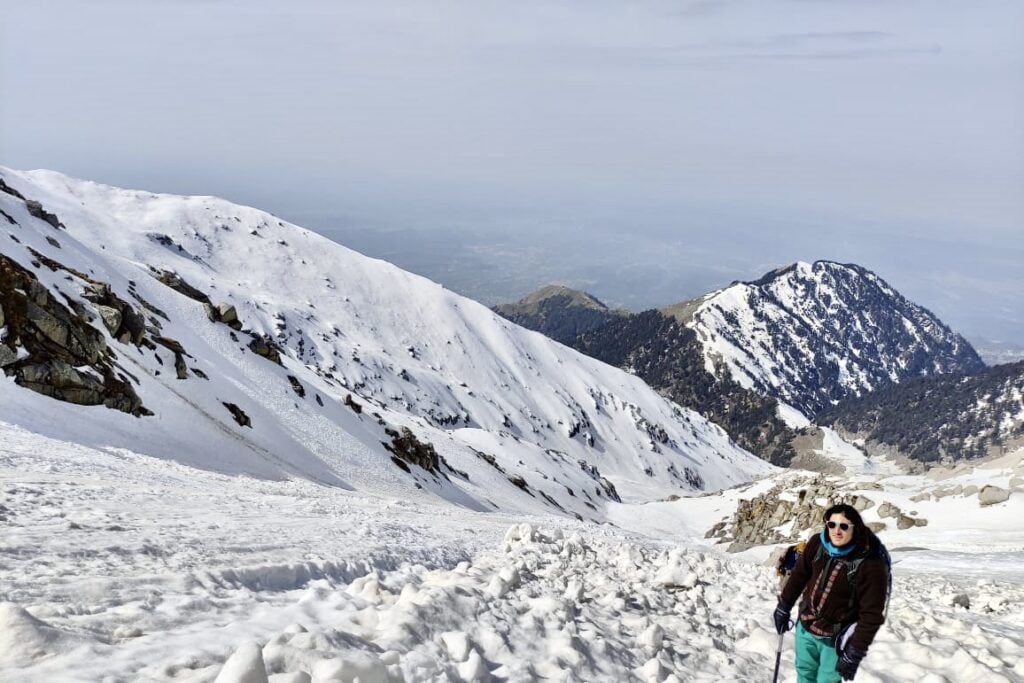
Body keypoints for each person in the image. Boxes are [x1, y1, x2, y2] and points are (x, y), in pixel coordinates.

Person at [772, 503, 890, 682]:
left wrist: (855, 651)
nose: (836, 531)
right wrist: (783, 606)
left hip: (835, 638)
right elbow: (799, 576)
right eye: (832, 525)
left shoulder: (869, 564)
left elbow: (871, 614)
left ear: (855, 528)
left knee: (827, 681)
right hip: (805, 625)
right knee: (804, 672)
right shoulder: (817, 543)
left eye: (844, 526)